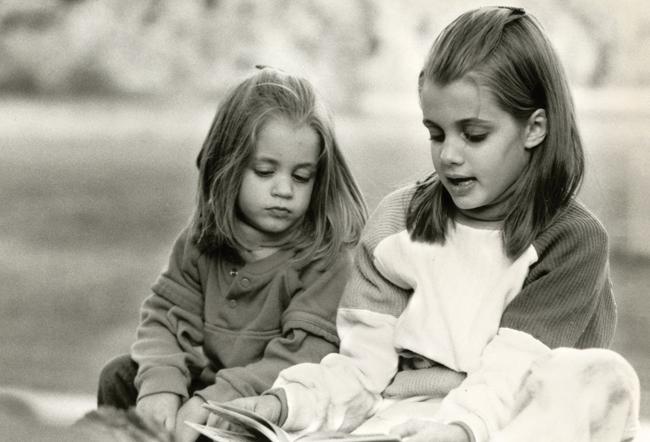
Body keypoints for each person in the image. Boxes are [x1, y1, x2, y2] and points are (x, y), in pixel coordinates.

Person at [219, 7, 640, 442]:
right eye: (436, 134)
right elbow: (362, 370)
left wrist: (458, 431)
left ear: (535, 128)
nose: (450, 155)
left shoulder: (571, 240)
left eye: (473, 135)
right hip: (408, 418)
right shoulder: (398, 223)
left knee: (599, 377)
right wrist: (284, 405)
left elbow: (514, 372)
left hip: (509, 421)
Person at [96, 66, 368, 442]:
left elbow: (303, 357)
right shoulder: (200, 241)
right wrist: (161, 386)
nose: (284, 189)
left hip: (272, 405)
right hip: (208, 391)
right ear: (227, 166)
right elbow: (166, 319)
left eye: (301, 176)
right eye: (265, 171)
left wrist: (217, 401)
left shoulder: (324, 258)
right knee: (120, 377)